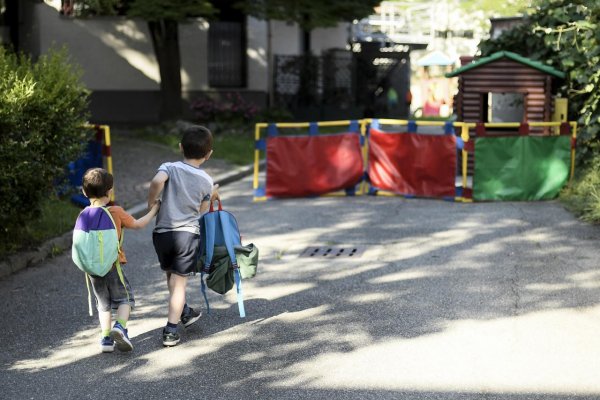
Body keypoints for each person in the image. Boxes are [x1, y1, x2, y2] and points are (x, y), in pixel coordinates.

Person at [148, 125, 219, 347]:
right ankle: (170, 330)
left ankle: (185, 311)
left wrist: (152, 202)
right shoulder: (206, 181)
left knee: (171, 277)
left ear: (180, 147)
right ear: (208, 155)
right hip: (186, 235)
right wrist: (212, 193)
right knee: (179, 284)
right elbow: (203, 211)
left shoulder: (169, 167)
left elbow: (157, 181)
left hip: (162, 234)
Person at [81, 167, 160, 353]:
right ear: (109, 191)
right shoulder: (115, 211)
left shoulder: (83, 214)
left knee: (103, 304)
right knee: (126, 299)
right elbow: (139, 224)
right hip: (113, 265)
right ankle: (120, 327)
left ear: (84, 192)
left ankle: (106, 339)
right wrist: (155, 209)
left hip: (92, 269)